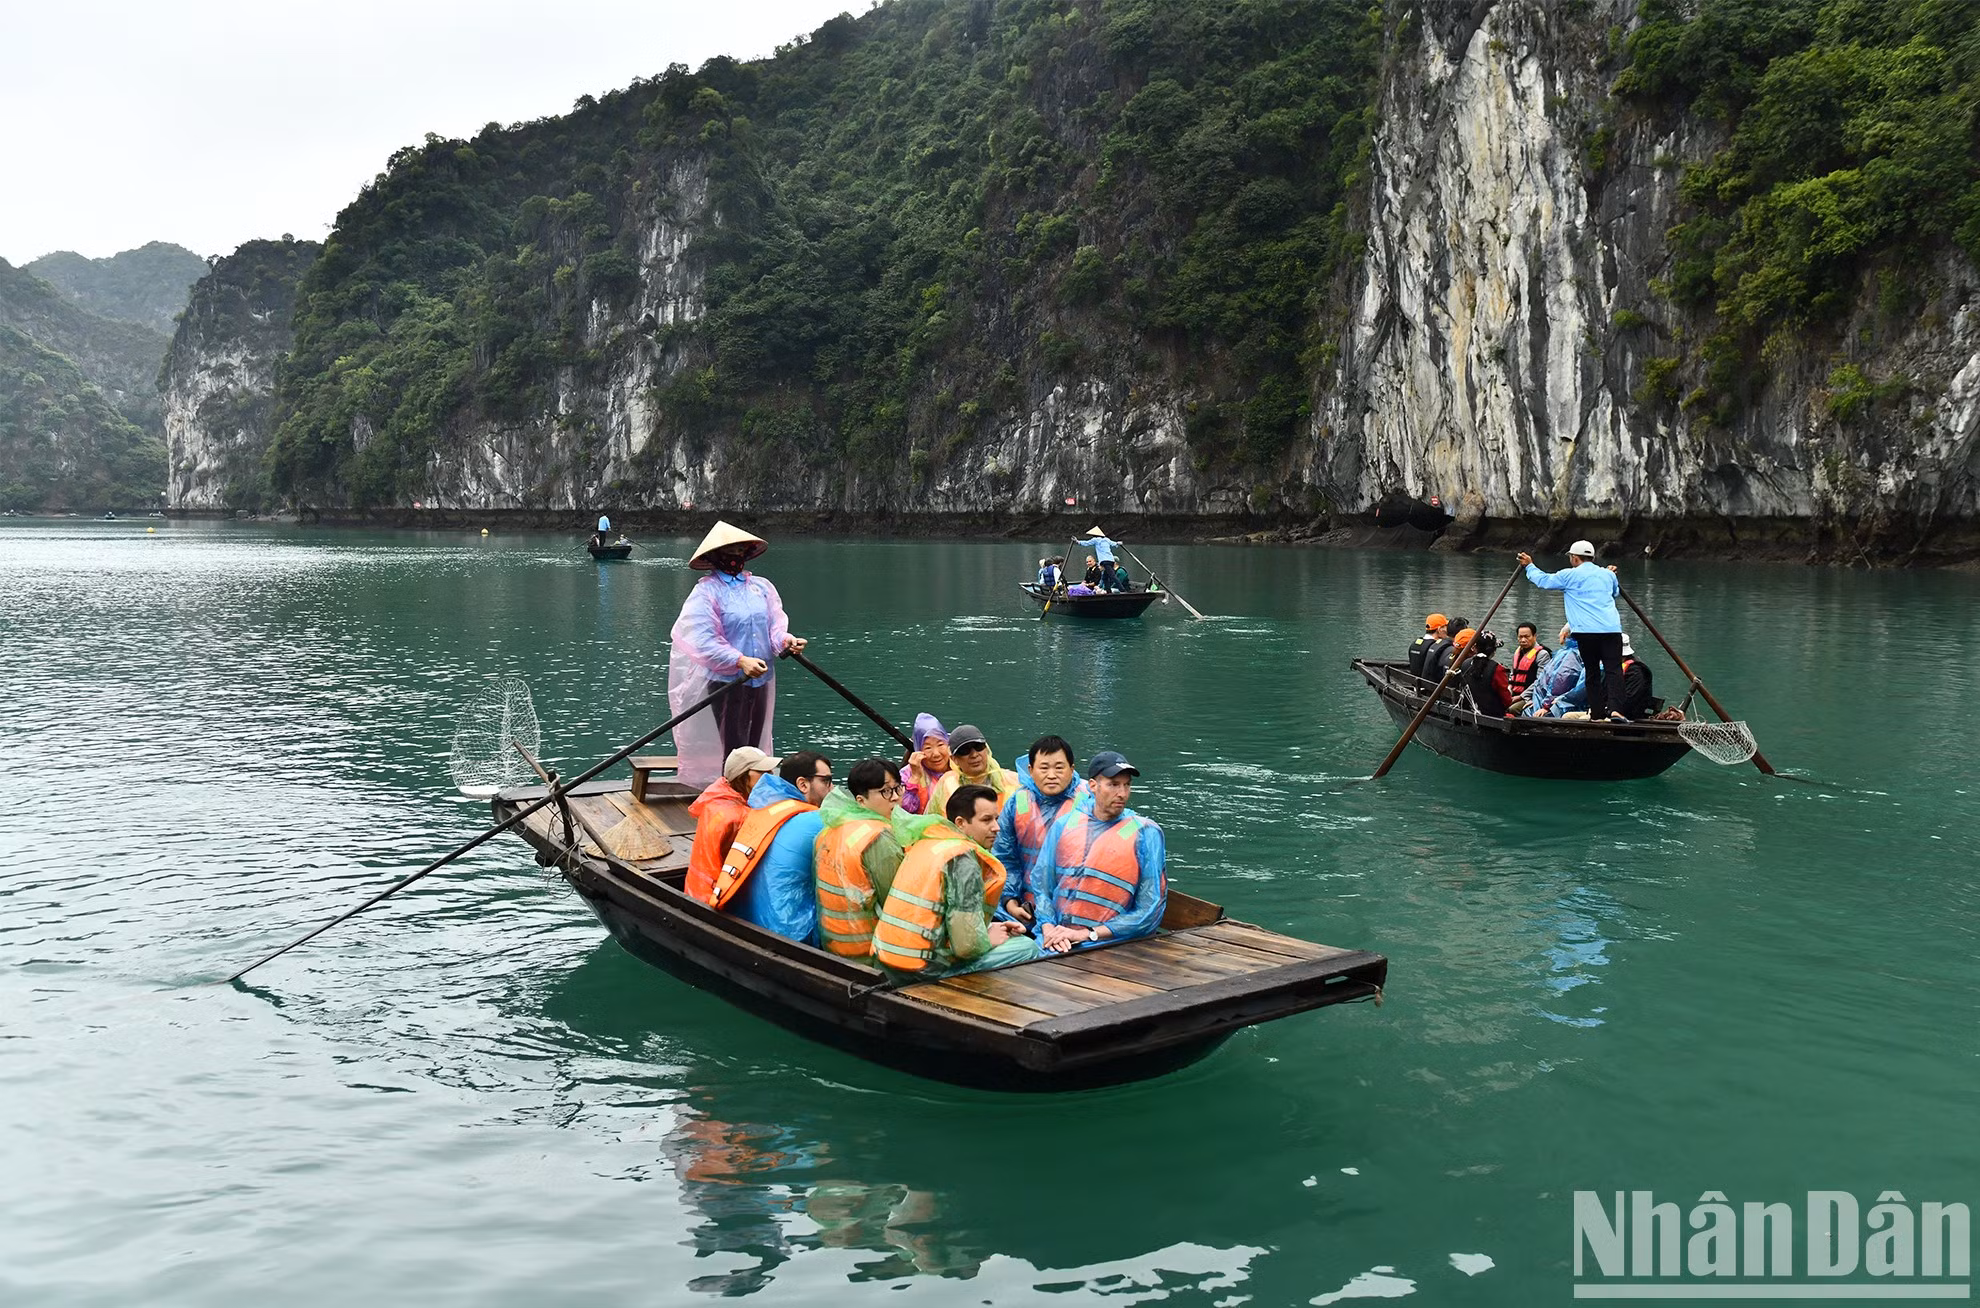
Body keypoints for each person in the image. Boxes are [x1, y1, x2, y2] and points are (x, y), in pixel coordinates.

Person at [669, 522, 808, 788]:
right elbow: (702, 639)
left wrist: (787, 642)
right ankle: (731, 796)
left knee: (755, 746)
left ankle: (753, 797)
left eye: (740, 549)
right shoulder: (707, 592)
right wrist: (738, 660)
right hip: (728, 681)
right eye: (730, 550)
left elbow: (775, 627)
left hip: (761, 677)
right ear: (716, 556)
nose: (736, 555)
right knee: (734, 748)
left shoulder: (761, 588)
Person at [874, 784, 1042, 979]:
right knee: (1027, 947)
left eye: (996, 819)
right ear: (961, 822)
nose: (997, 827)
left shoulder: (928, 842)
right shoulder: (963, 861)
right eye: (986, 820)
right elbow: (966, 948)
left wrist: (989, 929)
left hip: (886, 960)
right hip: (920, 972)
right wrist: (987, 939)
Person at [1033, 751, 1167, 954]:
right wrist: (1048, 928)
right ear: (1093, 786)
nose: (1122, 793)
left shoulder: (1145, 832)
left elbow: (1150, 908)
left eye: (1127, 785)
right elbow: (1043, 885)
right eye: (1113, 784)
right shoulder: (1065, 824)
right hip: (1057, 937)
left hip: (1110, 943)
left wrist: (1088, 934)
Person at [710, 751, 833, 944]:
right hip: (790, 934)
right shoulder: (816, 821)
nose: (832, 788)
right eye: (826, 781)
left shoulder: (759, 809)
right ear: (803, 784)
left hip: (745, 918)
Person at [1517, 541, 1627, 722]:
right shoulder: (1608, 575)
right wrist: (1608, 574)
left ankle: (1598, 714)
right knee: (1614, 670)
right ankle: (1616, 710)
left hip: (1587, 633)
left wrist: (1529, 566)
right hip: (1611, 630)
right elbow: (1614, 593)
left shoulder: (1569, 575)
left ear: (1574, 558)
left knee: (1592, 671)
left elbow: (1544, 581)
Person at [814, 757, 909, 961]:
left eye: (898, 788)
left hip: (834, 945)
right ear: (860, 800)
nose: (895, 797)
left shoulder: (830, 830)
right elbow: (899, 905)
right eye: (885, 791)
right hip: (870, 954)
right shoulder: (879, 839)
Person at [991, 734, 1089, 923]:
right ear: (1031, 770)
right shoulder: (1017, 802)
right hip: (1028, 908)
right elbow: (1004, 857)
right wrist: (1010, 902)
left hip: (1076, 911)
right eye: (1044, 768)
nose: (1051, 775)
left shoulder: (1089, 801)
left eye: (1059, 767)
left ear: (1072, 769)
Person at [687, 746, 778, 903]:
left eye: (770, 771)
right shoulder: (737, 818)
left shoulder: (716, 798)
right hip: (715, 897)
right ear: (742, 776)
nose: (771, 776)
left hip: (696, 888)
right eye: (763, 772)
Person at [927, 724, 1021, 819]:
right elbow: (931, 821)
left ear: (986, 749)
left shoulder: (1014, 781)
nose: (974, 755)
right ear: (954, 759)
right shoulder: (947, 783)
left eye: (979, 747)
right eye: (965, 751)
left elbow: (1026, 819)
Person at [900, 713, 950, 815]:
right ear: (918, 750)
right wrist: (914, 778)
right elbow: (902, 813)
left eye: (940, 745)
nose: (936, 754)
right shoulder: (907, 773)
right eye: (927, 748)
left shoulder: (960, 766)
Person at [1456, 629, 1512, 716]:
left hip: (1469, 712)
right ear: (1493, 651)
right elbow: (1507, 701)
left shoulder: (1465, 664)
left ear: (1475, 648)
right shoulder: (1497, 669)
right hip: (1493, 716)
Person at [1613, 636, 1656, 719]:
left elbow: (1630, 700)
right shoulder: (1618, 668)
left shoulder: (1636, 672)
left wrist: (1610, 710)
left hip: (1629, 717)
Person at [1506, 622, 1551, 698]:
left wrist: (1520, 697)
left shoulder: (1542, 654)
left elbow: (1540, 682)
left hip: (1531, 696)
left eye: (1527, 636)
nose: (1523, 640)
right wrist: (1509, 690)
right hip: (1515, 692)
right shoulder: (1518, 652)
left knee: (1512, 709)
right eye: (1520, 637)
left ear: (1534, 636)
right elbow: (1513, 674)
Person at [1407, 613, 1450, 679]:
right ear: (1439, 629)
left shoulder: (1415, 644)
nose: (1448, 630)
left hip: (1415, 684)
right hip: (1429, 687)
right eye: (1446, 626)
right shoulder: (1435, 647)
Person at [1083, 526, 1124, 592]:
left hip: (1105, 561)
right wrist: (1118, 543)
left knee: (1112, 576)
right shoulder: (1106, 539)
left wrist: (1077, 542)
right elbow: (1114, 544)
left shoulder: (1096, 540)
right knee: (1105, 578)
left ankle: (1122, 590)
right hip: (1111, 561)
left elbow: (1086, 543)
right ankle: (1108, 591)